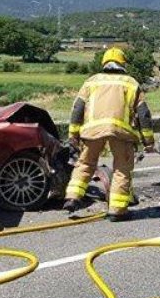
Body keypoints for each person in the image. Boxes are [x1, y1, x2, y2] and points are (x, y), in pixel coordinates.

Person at [63, 48, 155, 220]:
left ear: (104, 63)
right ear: (122, 64)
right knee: (122, 170)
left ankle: (72, 197)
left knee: (85, 163)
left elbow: (77, 109)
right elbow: (143, 114)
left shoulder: (91, 82)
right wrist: (148, 141)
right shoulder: (131, 83)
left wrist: (73, 135)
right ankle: (117, 211)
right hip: (121, 132)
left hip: (92, 131)